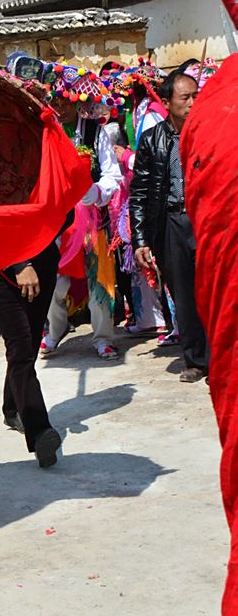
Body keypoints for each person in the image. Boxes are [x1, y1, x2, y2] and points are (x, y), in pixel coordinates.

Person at [129, 69, 208, 382]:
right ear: (166, 102)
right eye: (185, 97)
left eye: (195, 96)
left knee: (212, 292)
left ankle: (223, 358)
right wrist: (140, 240)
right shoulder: (152, 140)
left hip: (204, 221)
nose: (192, 103)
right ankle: (196, 360)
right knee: (183, 295)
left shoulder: (206, 132)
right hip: (171, 223)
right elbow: (140, 192)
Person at [42, 67, 122, 360]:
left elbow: (112, 175)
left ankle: (102, 337)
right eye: (54, 102)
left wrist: (96, 193)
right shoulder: (45, 133)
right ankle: (54, 331)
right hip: (56, 223)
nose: (59, 108)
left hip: (92, 221)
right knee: (55, 282)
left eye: (64, 101)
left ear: (76, 102)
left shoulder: (94, 132)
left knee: (99, 280)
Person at [0, 238, 63, 469]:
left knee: (27, 350)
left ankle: (11, 408)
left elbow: (61, 213)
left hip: (43, 263)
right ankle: (40, 431)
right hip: (0, 268)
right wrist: (20, 263)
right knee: (20, 351)